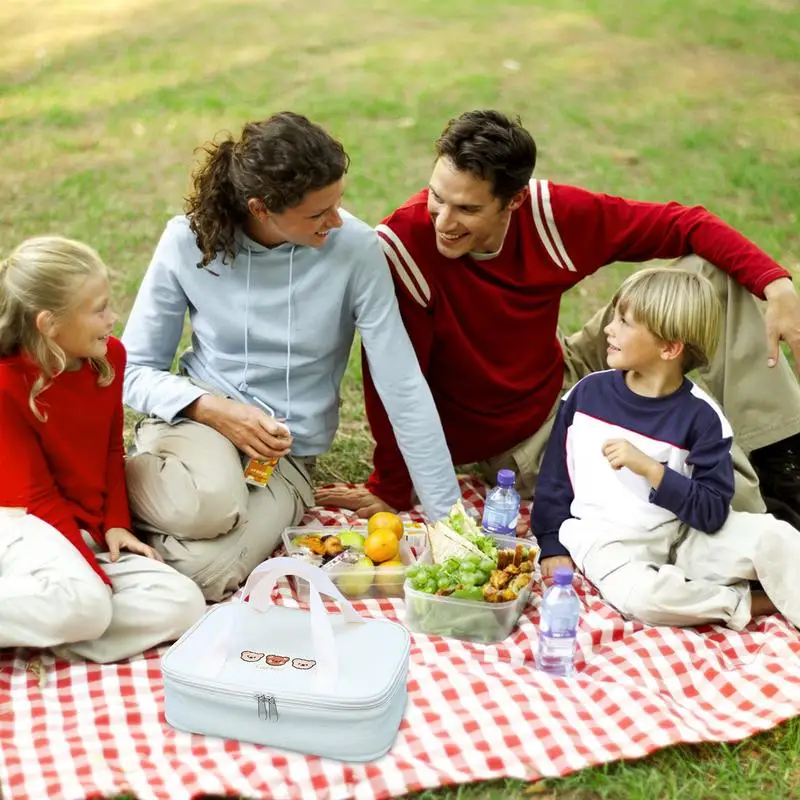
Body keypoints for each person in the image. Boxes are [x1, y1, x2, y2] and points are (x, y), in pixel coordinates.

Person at [317, 109, 800, 528]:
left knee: (712, 271)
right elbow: (395, 382)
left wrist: (777, 285)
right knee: (665, 465)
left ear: (514, 202)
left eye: (467, 208)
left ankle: (782, 456)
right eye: (436, 197)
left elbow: (684, 223)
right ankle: (756, 522)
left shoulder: (551, 217)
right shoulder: (405, 248)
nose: (443, 220)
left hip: (564, 369)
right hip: (520, 437)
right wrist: (392, 486)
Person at [122, 112, 459, 601]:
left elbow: (402, 383)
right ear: (261, 208)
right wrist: (212, 409)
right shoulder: (188, 241)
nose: (336, 220)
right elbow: (132, 370)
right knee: (211, 504)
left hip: (284, 458)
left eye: (338, 202)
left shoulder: (357, 251)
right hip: (199, 424)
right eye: (319, 212)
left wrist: (448, 520)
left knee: (207, 575)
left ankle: (135, 529)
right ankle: (104, 489)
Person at [531, 267, 799, 630]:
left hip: (685, 536)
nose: (609, 329)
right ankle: (746, 602)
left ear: (670, 347)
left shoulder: (703, 418)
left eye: (625, 323)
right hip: (606, 542)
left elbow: (712, 514)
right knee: (644, 600)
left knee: (777, 535)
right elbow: (553, 482)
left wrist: (652, 470)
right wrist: (552, 544)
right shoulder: (586, 396)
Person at [0, 236, 205, 664]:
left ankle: (52, 625)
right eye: (99, 310)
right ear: (48, 324)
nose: (114, 318)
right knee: (88, 604)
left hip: (83, 529)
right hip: (24, 523)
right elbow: (34, 496)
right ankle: (71, 610)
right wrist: (95, 578)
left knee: (184, 603)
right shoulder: (7, 383)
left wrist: (115, 524)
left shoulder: (108, 357)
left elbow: (112, 450)